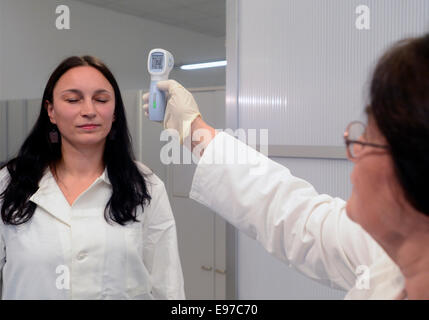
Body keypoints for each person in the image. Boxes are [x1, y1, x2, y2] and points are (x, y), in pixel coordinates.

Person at [143, 34, 429, 299]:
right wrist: (193, 129)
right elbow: (291, 214)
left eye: (369, 138)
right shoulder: (386, 257)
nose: (354, 153)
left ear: (415, 165)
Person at [0, 56, 185, 299]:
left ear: (115, 112)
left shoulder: (145, 185)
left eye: (101, 99)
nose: (89, 111)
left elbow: (167, 285)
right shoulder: (9, 183)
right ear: (51, 111)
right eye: (73, 99)